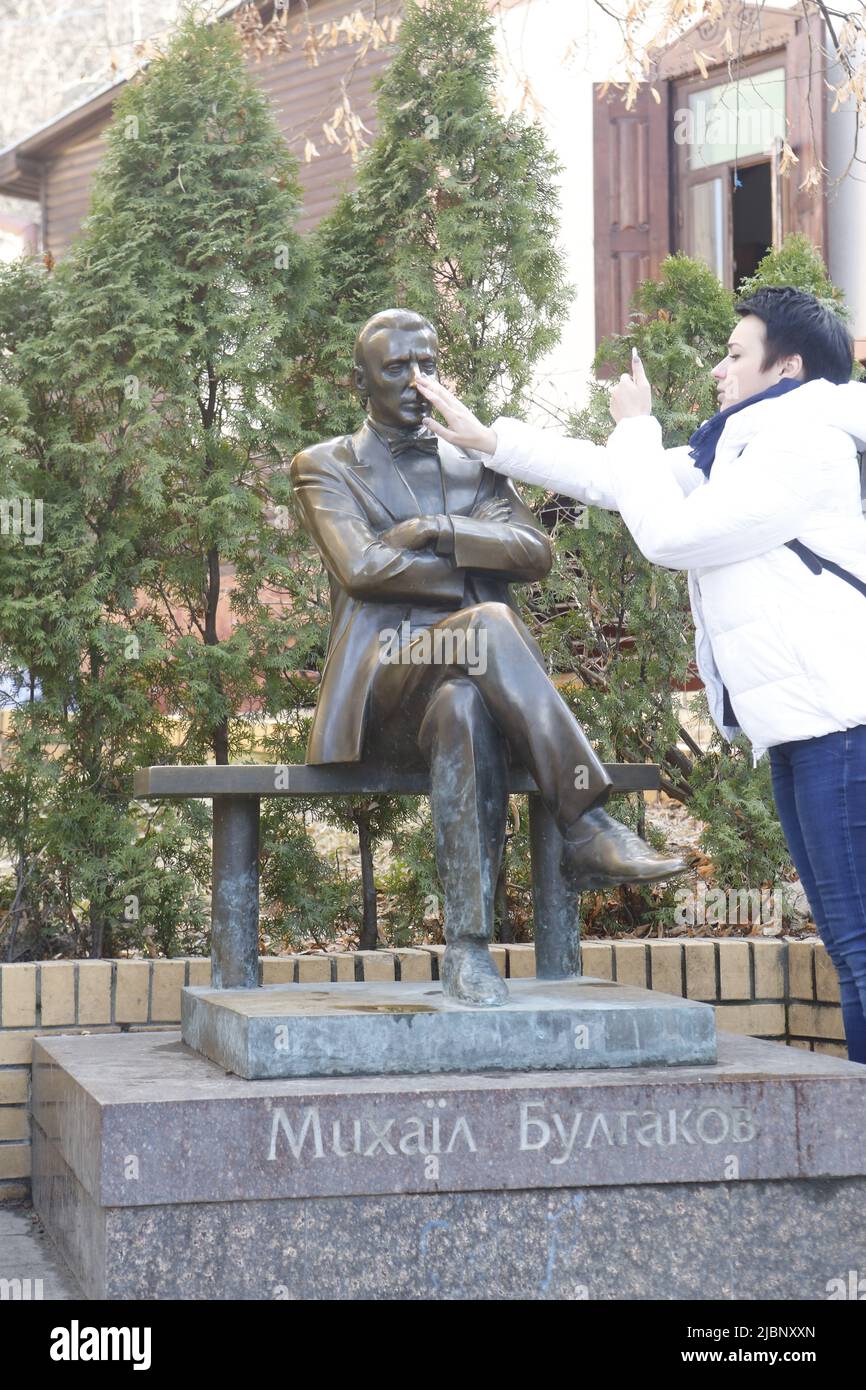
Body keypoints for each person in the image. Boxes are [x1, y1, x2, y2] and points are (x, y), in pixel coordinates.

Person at [414, 287, 866, 1060]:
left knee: (858, 950)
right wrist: (491, 441)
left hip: (843, 729)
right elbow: (615, 478)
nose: (718, 369)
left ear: (786, 367)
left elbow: (669, 532)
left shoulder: (804, 447)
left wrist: (636, 426)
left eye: (734, 353)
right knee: (848, 949)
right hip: (802, 729)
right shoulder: (742, 450)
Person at [290, 308, 684, 1007]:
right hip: (386, 682)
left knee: (465, 706)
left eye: (428, 366)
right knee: (491, 622)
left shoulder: (469, 462)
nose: (418, 382)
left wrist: (438, 528)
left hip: (473, 690)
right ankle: (586, 821)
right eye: (396, 369)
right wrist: (475, 569)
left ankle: (468, 952)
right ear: (361, 381)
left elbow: (536, 552)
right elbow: (361, 568)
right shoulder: (324, 466)